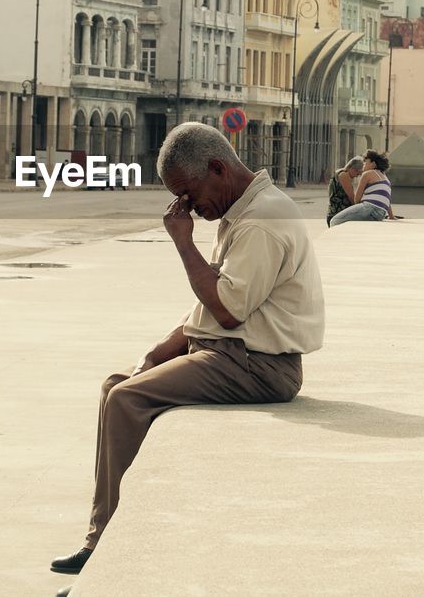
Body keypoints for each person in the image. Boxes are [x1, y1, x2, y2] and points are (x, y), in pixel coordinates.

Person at [50, 123, 325, 578]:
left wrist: (182, 241)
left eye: (189, 193)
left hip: (258, 366)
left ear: (217, 168)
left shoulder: (263, 220)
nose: (189, 208)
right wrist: (160, 352)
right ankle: (105, 535)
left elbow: (229, 310)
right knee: (116, 384)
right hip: (232, 354)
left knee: (127, 399)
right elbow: (211, 307)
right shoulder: (245, 210)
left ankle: (105, 553)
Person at [328, 150, 393, 225]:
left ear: (373, 164)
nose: (363, 165)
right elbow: (387, 200)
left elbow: (356, 199)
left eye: (366, 162)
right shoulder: (384, 177)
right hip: (381, 213)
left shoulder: (367, 174)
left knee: (334, 221)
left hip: (369, 208)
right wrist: (391, 216)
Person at [326, 156, 365, 225]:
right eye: (358, 173)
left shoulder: (340, 173)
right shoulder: (344, 175)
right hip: (337, 215)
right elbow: (352, 197)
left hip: (336, 214)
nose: (357, 176)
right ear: (353, 169)